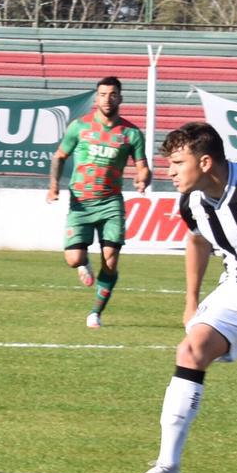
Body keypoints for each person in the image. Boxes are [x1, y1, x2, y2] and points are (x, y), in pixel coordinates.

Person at [127, 122, 237, 473]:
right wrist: (191, 300)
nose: (168, 172)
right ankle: (168, 467)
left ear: (204, 162)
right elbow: (198, 241)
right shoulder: (192, 201)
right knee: (191, 350)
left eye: (176, 163)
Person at [46, 76, 150, 328]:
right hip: (81, 202)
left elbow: (143, 166)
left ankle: (96, 312)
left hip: (111, 202)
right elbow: (59, 156)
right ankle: (84, 263)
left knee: (111, 258)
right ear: (97, 98)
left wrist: (142, 179)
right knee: (73, 259)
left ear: (120, 98)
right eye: (103, 94)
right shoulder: (79, 127)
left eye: (112, 94)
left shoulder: (131, 133)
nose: (107, 99)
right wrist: (53, 187)